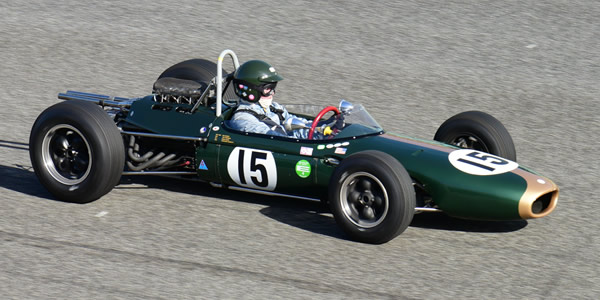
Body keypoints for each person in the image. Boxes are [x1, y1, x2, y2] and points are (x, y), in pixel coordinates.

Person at [228, 60, 312, 139]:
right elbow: (275, 139)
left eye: (273, 88)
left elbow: (298, 125)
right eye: (268, 88)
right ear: (251, 90)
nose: (272, 93)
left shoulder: (275, 108)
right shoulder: (243, 119)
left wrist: (319, 129)